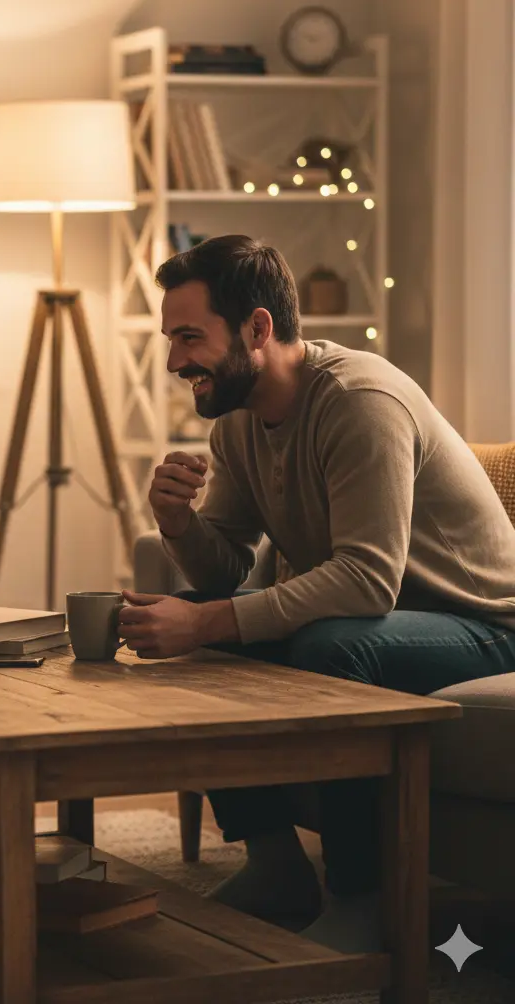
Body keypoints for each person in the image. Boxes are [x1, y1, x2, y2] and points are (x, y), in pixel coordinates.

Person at [116, 234, 515, 952]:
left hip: (483, 622)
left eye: (188, 337)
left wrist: (207, 620)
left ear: (258, 330)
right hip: (393, 617)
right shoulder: (238, 420)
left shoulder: (359, 401)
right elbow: (226, 573)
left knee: (325, 647)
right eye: (169, 338)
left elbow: (367, 578)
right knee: (212, 645)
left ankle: (363, 898)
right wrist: (177, 524)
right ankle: (274, 866)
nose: (174, 361)